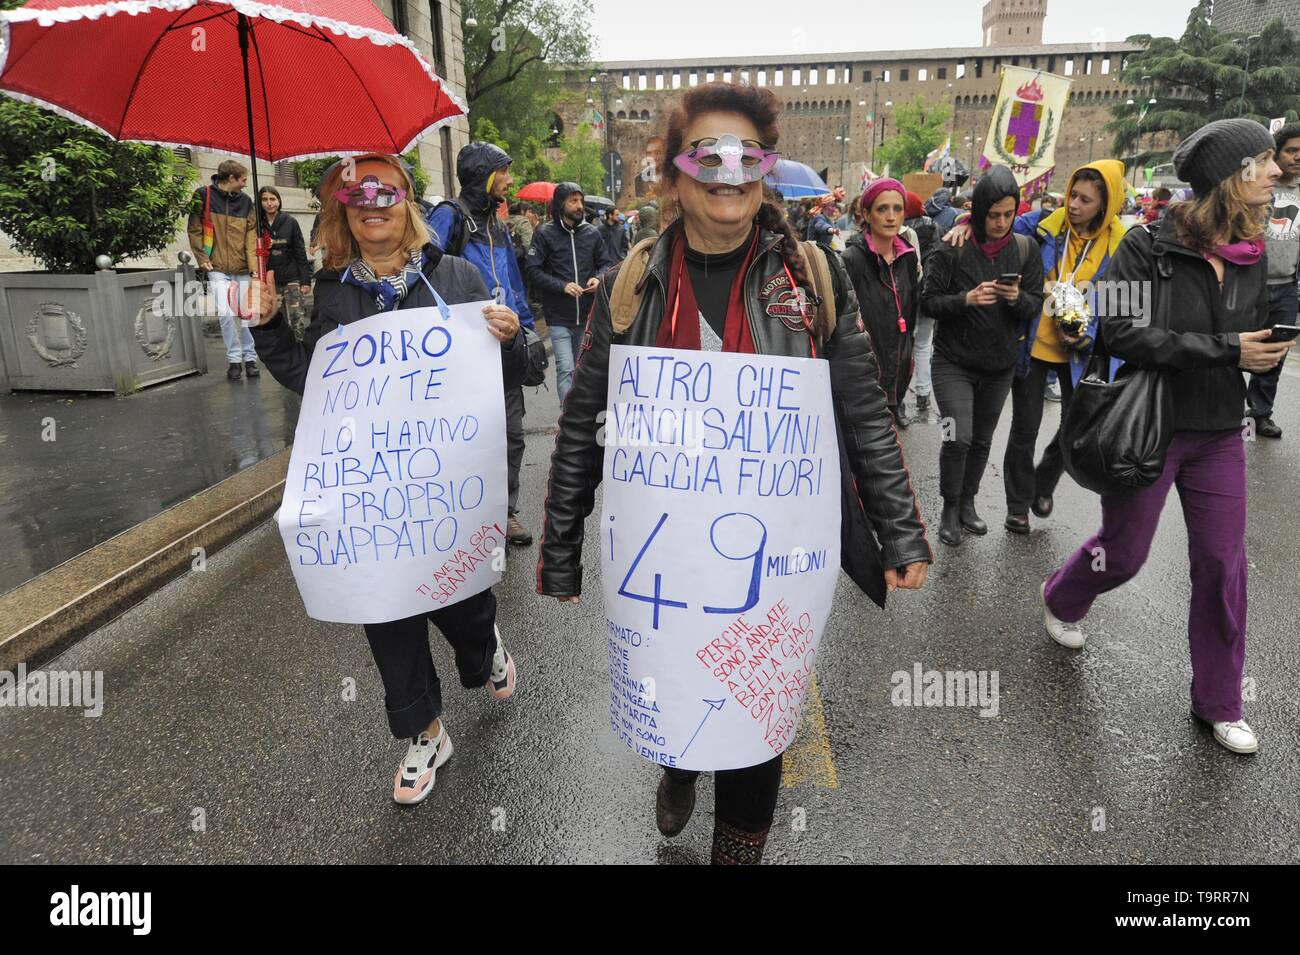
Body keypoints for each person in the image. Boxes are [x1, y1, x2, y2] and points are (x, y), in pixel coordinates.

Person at [536, 82, 930, 864]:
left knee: (759, 713)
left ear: (767, 170)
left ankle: (738, 852)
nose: (727, 170)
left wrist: (902, 530)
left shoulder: (812, 275)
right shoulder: (637, 278)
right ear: (673, 173)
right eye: (705, 154)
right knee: (680, 686)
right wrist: (558, 546)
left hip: (771, 556)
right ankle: (678, 762)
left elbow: (862, 409)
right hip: (666, 558)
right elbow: (585, 412)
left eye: (747, 155)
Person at [243, 153, 528, 803]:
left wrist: (509, 338)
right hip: (369, 489)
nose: (371, 200)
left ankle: (486, 649)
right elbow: (311, 378)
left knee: (461, 606)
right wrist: (265, 326)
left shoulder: (456, 274)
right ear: (345, 209)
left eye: (386, 189)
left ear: (407, 202)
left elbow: (511, 373)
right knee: (386, 604)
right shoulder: (333, 291)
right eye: (356, 192)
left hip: (444, 485)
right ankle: (424, 731)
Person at [1042, 119, 1290, 755]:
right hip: (1146, 428)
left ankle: (1220, 702)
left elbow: (1253, 332)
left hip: (1218, 434)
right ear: (1231, 177)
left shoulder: (1257, 253)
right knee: (1122, 554)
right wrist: (1225, 349)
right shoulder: (1144, 247)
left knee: (1221, 564)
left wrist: (1268, 344)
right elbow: (1117, 331)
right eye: (1264, 163)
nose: (1277, 173)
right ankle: (1064, 595)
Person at [920, 165, 1044, 546]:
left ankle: (968, 503)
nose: (1002, 222)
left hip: (998, 366)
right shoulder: (951, 244)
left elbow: (1036, 305)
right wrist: (965, 300)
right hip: (951, 362)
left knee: (981, 440)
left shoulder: (1026, 249)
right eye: (994, 215)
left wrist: (1016, 298)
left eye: (1009, 214)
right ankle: (948, 506)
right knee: (956, 435)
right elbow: (927, 302)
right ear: (979, 211)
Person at [1003, 160, 1128, 533]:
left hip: (1080, 350)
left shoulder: (1121, 243)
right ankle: (1017, 505)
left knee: (1076, 430)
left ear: (1104, 206)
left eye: (1085, 200)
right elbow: (998, 227)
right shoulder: (1043, 226)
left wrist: (1088, 332)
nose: (1073, 205)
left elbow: (1122, 301)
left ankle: (1044, 479)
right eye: (1072, 195)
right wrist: (961, 227)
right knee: (1025, 428)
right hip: (1035, 343)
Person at [426, 142, 536, 547]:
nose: (509, 178)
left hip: (502, 344)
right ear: (483, 175)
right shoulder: (449, 215)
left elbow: (512, 285)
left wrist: (527, 332)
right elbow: (421, 268)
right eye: (503, 171)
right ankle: (460, 513)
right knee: (463, 436)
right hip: (460, 350)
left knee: (510, 433)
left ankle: (504, 514)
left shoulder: (499, 225)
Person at [525, 182, 614, 403]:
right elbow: (532, 271)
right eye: (573, 201)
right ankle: (568, 418)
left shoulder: (592, 233)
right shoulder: (545, 234)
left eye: (580, 200)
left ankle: (579, 416)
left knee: (581, 369)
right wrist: (562, 286)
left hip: (587, 316)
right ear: (560, 204)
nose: (579, 205)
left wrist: (598, 278)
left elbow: (605, 264)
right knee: (565, 368)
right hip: (559, 317)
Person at [843, 178, 922, 429]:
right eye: (882, 209)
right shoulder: (851, 259)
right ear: (866, 213)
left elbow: (911, 305)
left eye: (897, 209)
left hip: (899, 353)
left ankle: (896, 403)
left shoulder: (908, 256)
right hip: (866, 364)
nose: (891, 217)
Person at [1245, 122, 1300, 439]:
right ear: (1277, 152)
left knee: (1275, 352)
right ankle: (1226, 412)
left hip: (1286, 286)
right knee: (1239, 347)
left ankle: (1260, 414)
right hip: (1251, 284)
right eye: (1291, 150)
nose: (1296, 157)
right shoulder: (1258, 183)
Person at [187, 159, 259, 380]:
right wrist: (201, 256)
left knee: (248, 316)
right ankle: (234, 360)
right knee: (226, 314)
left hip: (243, 266)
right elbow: (194, 228)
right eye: (243, 180)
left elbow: (251, 236)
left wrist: (254, 267)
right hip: (216, 265)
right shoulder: (202, 195)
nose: (245, 184)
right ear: (231, 179)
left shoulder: (246, 202)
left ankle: (250, 359)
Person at [256, 186, 312, 340]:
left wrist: (305, 280)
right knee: (277, 320)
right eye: (265, 199)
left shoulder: (290, 221)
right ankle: (285, 354)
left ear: (279, 201)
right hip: (270, 280)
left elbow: (300, 251)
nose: (269, 203)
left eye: (273, 199)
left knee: (296, 318)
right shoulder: (257, 224)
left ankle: (300, 350)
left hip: (291, 278)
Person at [904, 191, 938, 417]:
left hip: (907, 295)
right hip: (929, 293)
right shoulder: (934, 228)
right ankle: (924, 394)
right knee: (924, 345)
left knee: (903, 345)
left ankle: (898, 395)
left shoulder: (901, 232)